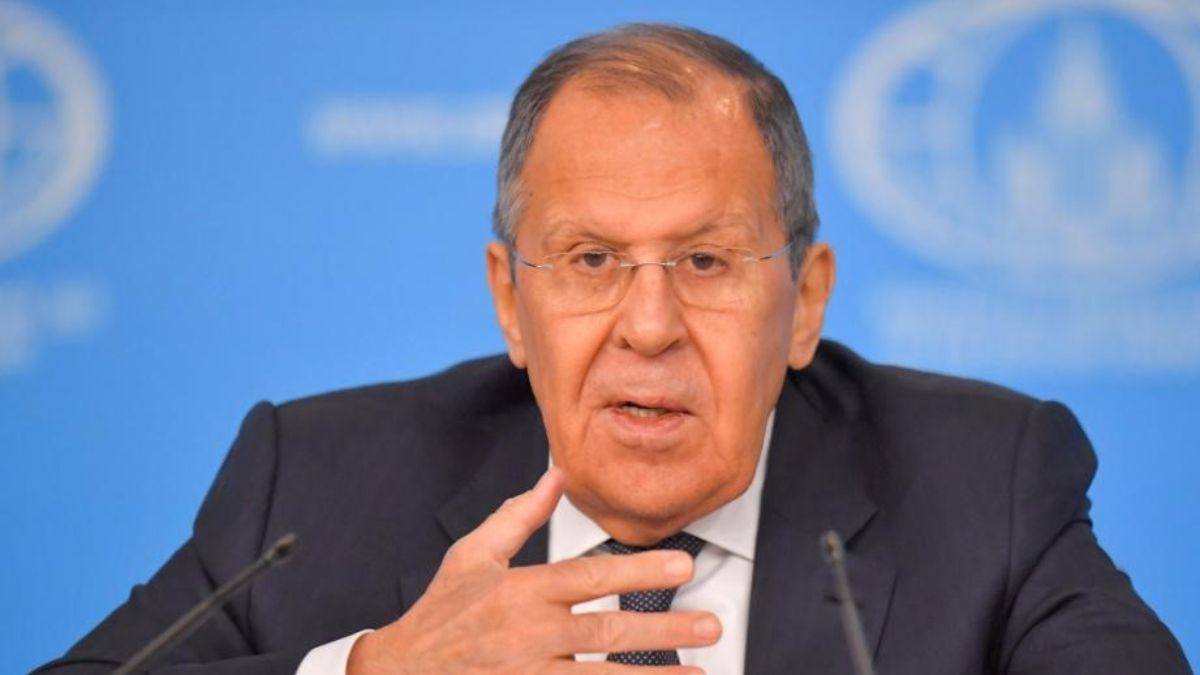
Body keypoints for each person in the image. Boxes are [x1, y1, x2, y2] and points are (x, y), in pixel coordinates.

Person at [36, 23, 1190, 675]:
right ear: (510, 300)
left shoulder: (984, 483)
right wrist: (373, 672)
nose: (648, 326)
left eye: (707, 261)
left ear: (803, 303)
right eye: (590, 260)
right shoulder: (319, 484)